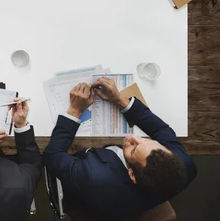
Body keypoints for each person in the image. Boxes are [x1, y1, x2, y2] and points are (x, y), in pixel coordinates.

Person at [43, 78, 197, 219]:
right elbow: (162, 131)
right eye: (150, 141)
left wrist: (75, 111)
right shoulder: (185, 166)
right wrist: (120, 100)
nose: (133, 138)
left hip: (91, 203)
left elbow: (53, 156)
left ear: (132, 174)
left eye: (134, 149)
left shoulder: (94, 176)